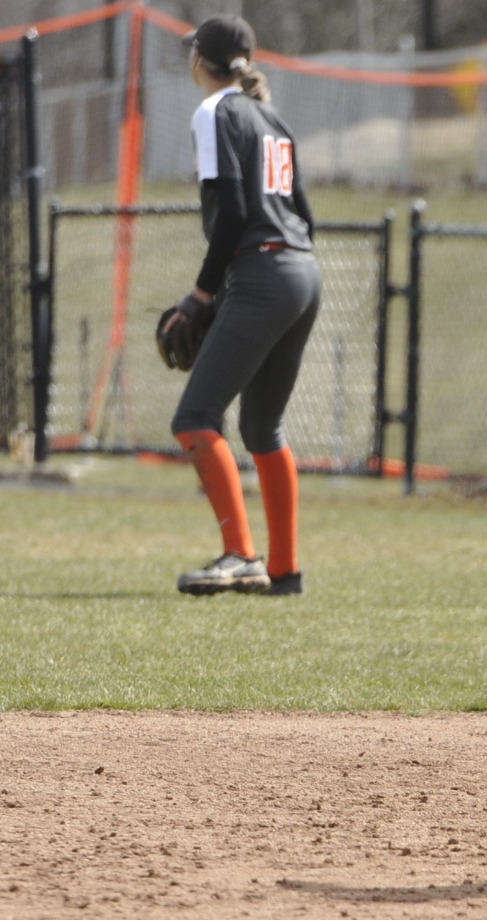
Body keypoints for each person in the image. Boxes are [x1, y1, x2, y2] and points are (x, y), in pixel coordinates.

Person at [162, 15, 318, 596]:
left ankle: (241, 555)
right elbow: (303, 213)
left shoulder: (215, 111)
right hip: (301, 272)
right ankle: (284, 571)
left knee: (194, 418)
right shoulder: (271, 117)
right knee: (261, 426)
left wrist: (203, 296)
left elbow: (231, 210)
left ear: (199, 60)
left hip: (262, 271)